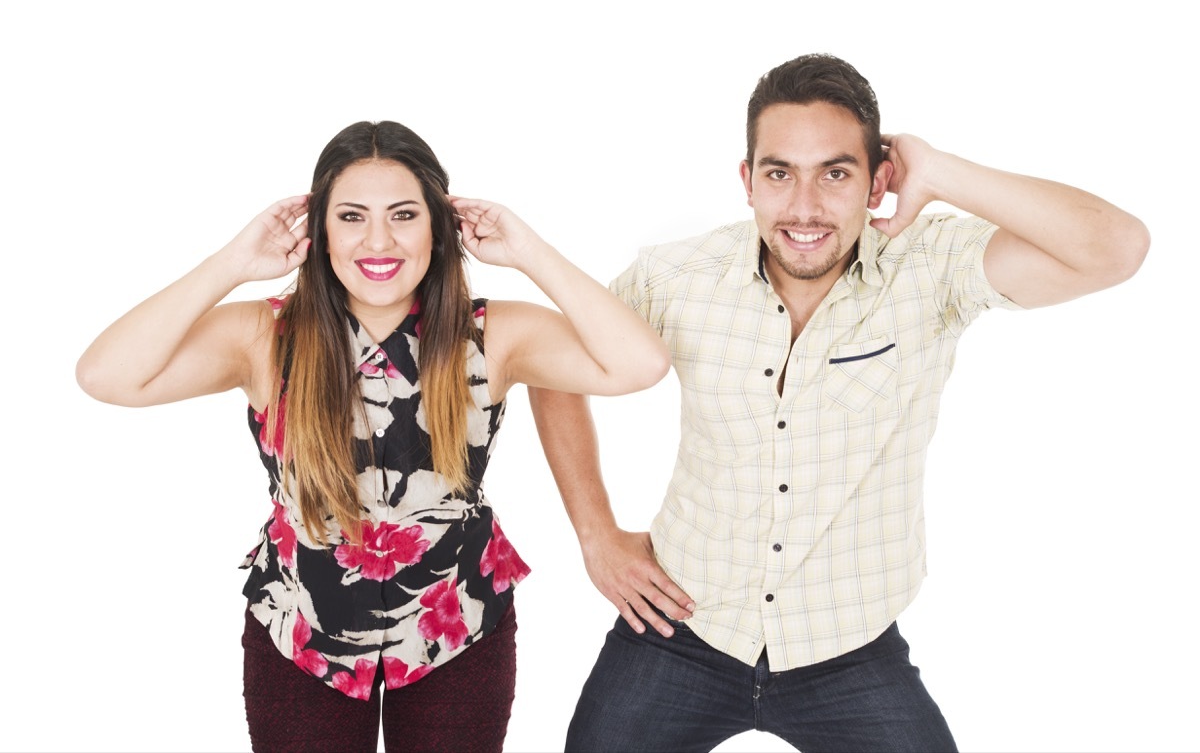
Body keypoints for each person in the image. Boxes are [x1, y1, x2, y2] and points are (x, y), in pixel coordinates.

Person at [528, 53, 1150, 752]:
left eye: (835, 172)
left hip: (848, 646)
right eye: (779, 173)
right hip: (681, 625)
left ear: (878, 179)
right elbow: (552, 363)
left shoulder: (930, 269)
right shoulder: (676, 277)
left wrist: (943, 172)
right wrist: (595, 533)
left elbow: (1116, 248)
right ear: (748, 181)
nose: (804, 207)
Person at [75, 120, 670, 752]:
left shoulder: (494, 335)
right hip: (301, 630)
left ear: (438, 229)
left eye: (405, 215)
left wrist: (526, 250)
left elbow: (640, 364)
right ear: (320, 231)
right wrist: (231, 264)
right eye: (352, 216)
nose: (378, 240)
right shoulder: (264, 337)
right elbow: (105, 375)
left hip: (456, 624)